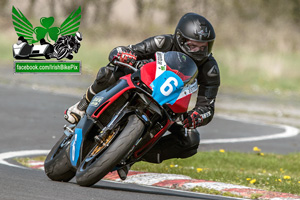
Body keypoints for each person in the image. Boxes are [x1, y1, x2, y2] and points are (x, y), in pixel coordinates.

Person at [64, 13, 220, 180]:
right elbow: (130, 50)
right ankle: (82, 106)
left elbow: (208, 106)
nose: (199, 51)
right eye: (193, 46)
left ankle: (132, 154)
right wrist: (124, 54)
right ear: (180, 40)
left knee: (190, 141)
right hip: (142, 83)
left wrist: (197, 116)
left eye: (204, 47)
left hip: (171, 105)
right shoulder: (164, 42)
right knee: (109, 72)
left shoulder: (210, 69)